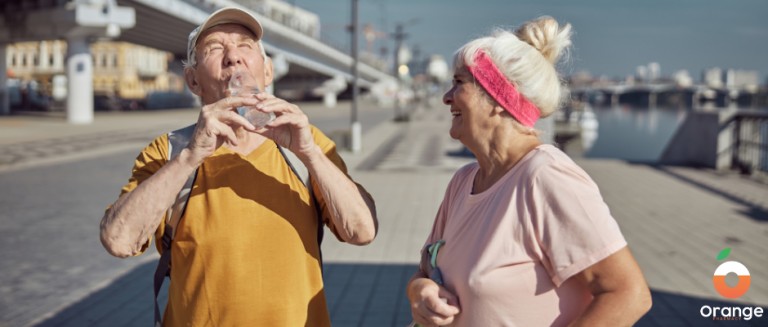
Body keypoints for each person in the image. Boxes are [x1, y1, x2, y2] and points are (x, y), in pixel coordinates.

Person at [99, 7, 378, 326]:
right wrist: (191, 156)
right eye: (215, 48)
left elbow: (362, 231)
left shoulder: (308, 145)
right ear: (192, 80)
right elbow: (119, 241)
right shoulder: (169, 152)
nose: (233, 56)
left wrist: (310, 153)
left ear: (268, 72)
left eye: (245, 45)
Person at [406, 16, 652, 326]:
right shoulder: (463, 182)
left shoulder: (545, 177)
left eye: (459, 82)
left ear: (497, 97)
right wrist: (419, 290)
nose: (446, 97)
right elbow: (426, 268)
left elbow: (628, 293)